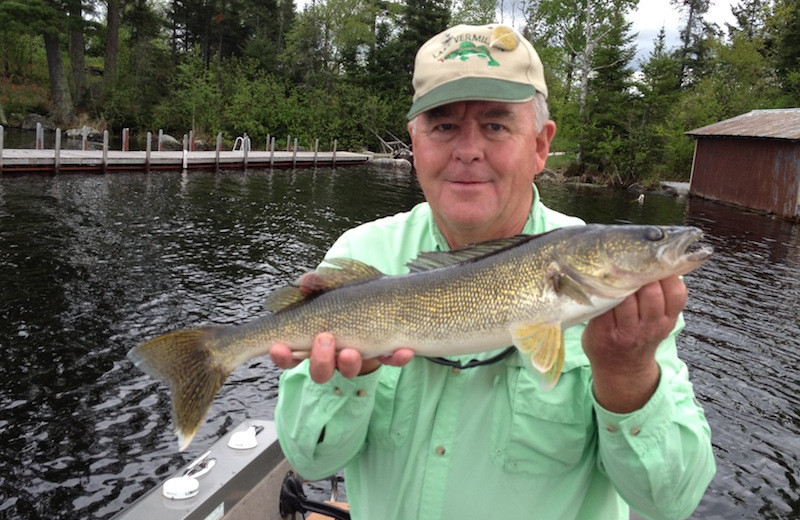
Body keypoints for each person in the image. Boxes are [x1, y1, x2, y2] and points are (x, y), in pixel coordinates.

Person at [270, 23, 715, 520]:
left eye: (496, 125)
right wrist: (348, 379)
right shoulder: (362, 253)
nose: (468, 150)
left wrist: (627, 373)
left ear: (541, 146)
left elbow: (671, 503)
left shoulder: (633, 309)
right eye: (443, 126)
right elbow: (310, 460)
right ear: (415, 143)